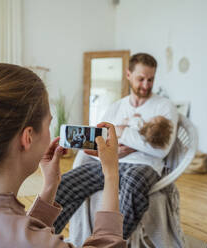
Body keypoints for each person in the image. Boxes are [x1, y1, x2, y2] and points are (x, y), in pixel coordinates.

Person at [0, 63, 126, 248]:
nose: (50, 133)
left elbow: (16, 232)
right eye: (48, 124)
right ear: (28, 137)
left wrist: (49, 186)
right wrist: (111, 174)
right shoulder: (33, 242)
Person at [54, 53, 179, 239]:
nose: (146, 85)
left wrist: (122, 132)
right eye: (141, 79)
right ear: (128, 74)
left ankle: (110, 242)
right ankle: (45, 239)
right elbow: (102, 142)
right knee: (64, 184)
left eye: (151, 79)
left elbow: (161, 149)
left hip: (143, 166)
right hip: (109, 163)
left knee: (134, 185)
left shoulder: (164, 107)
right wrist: (117, 150)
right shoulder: (115, 108)